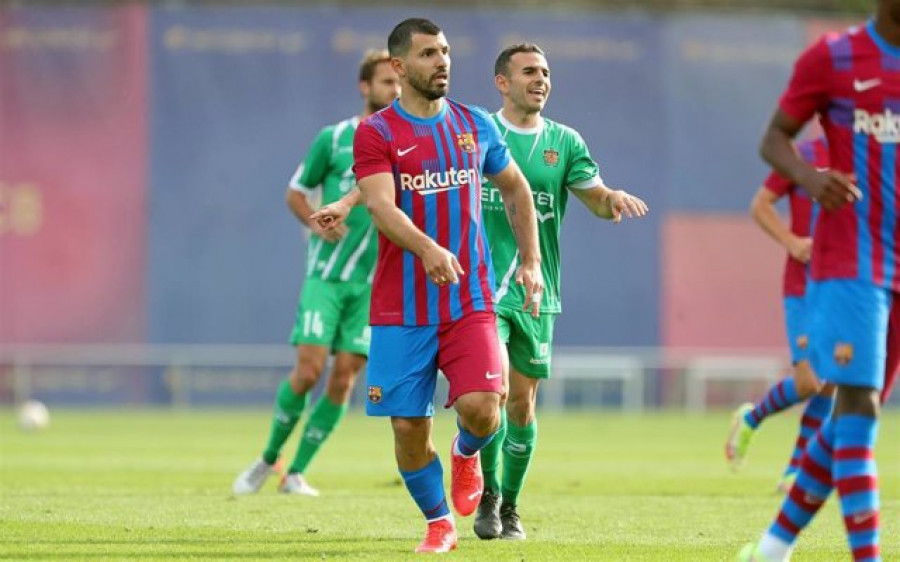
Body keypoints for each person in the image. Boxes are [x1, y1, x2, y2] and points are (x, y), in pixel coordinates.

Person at [314, 18, 544, 554]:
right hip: (401, 307)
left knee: (487, 407)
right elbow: (379, 205)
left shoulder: (476, 124)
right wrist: (427, 248)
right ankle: (439, 522)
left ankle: (466, 456)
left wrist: (530, 261)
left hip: (469, 299)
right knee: (407, 430)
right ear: (398, 67)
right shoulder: (376, 133)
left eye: (444, 52)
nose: (441, 62)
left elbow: (515, 189)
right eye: (426, 55)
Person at [738, 4, 900, 560]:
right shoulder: (834, 57)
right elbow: (773, 140)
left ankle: (774, 546)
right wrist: (810, 179)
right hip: (850, 259)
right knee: (855, 404)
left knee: (852, 412)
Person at [473, 43, 648, 541]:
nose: (541, 79)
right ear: (502, 82)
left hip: (537, 289)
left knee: (522, 406)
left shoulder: (565, 141)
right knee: (492, 390)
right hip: (484, 287)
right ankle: (485, 493)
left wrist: (609, 198)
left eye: (546, 72)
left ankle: (509, 505)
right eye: (529, 71)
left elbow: (593, 198)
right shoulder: (479, 131)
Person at [231, 50, 400, 497]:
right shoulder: (335, 138)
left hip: (372, 284)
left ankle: (296, 472)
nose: (395, 90)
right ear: (365, 87)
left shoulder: (406, 141)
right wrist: (313, 221)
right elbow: (296, 192)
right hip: (326, 276)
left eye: (398, 83)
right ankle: (268, 458)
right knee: (307, 371)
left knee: (344, 377)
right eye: (386, 82)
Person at [725, 136, 836, 494]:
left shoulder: (868, 155)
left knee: (830, 380)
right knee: (808, 381)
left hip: (845, 284)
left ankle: (794, 472)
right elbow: (761, 205)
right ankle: (751, 418)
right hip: (803, 284)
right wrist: (792, 242)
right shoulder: (802, 155)